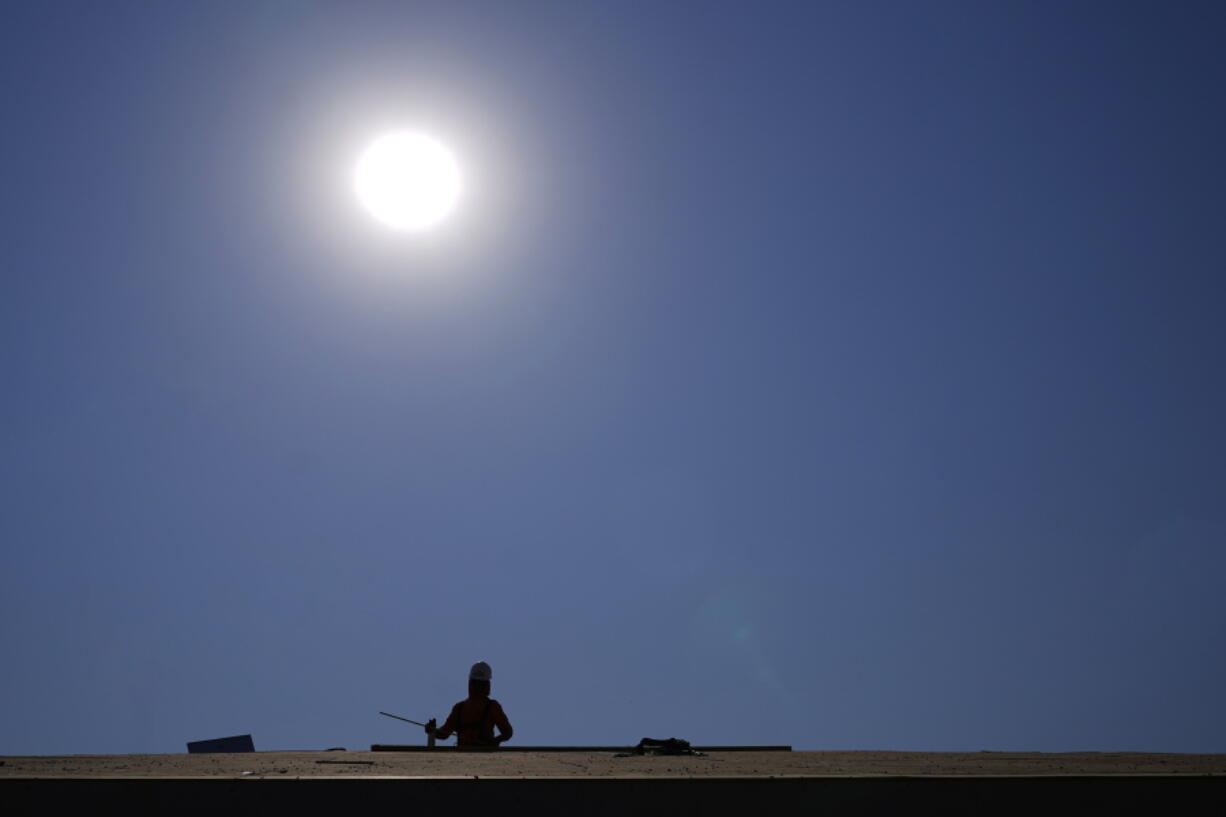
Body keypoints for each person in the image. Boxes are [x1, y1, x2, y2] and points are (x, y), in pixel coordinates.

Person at [427, 661, 513, 747]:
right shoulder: (459, 708)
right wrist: (432, 731)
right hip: (464, 757)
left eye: (480, 684)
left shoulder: (492, 707)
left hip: (484, 756)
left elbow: (507, 732)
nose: (477, 687)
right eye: (475, 683)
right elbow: (444, 733)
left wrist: (493, 742)